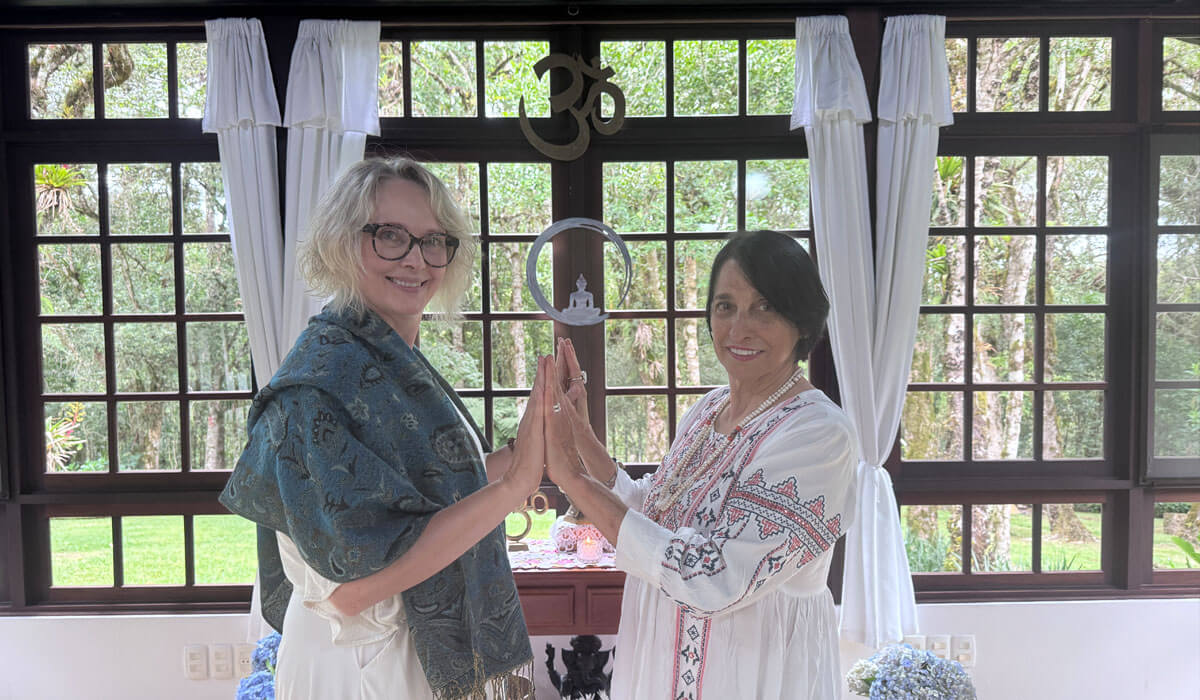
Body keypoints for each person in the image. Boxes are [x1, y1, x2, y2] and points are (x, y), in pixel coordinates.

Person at [220, 157, 549, 700]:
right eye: (391, 236)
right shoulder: (319, 385)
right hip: (356, 664)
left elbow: (429, 496)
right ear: (344, 242)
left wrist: (528, 451)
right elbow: (351, 592)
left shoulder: (394, 363)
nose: (416, 260)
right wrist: (514, 488)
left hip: (409, 653)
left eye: (433, 240)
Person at [543, 230, 858, 699]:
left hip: (752, 671)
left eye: (765, 307)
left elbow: (712, 577)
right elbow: (655, 514)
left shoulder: (818, 432)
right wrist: (582, 439)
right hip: (660, 653)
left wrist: (570, 478)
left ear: (803, 322)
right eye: (725, 306)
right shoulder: (709, 409)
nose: (738, 328)